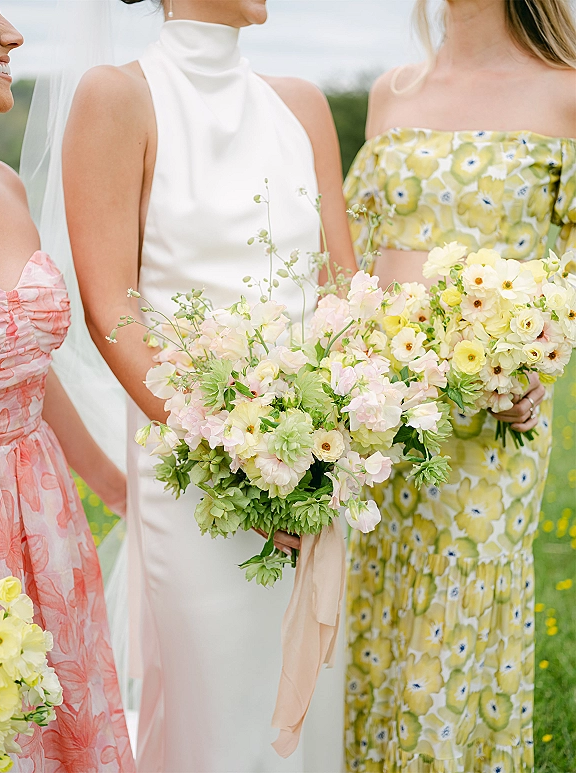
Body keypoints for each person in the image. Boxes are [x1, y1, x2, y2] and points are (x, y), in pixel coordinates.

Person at [62, 0, 356, 770]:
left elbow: (343, 288)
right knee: (220, 722)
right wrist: (241, 460)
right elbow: (110, 310)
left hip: (313, 468)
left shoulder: (303, 105)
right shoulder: (117, 97)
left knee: (307, 712)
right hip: (198, 480)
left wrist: (329, 443)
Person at [343, 0, 576, 771]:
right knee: (379, 627)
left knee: (448, 642)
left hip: (493, 425)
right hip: (381, 417)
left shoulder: (566, 91)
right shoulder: (391, 93)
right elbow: (356, 256)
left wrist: (539, 359)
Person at [0, 4, 135, 771]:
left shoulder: (8, 186)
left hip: (46, 516)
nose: (13, 34)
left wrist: (116, 487)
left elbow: (28, 372)